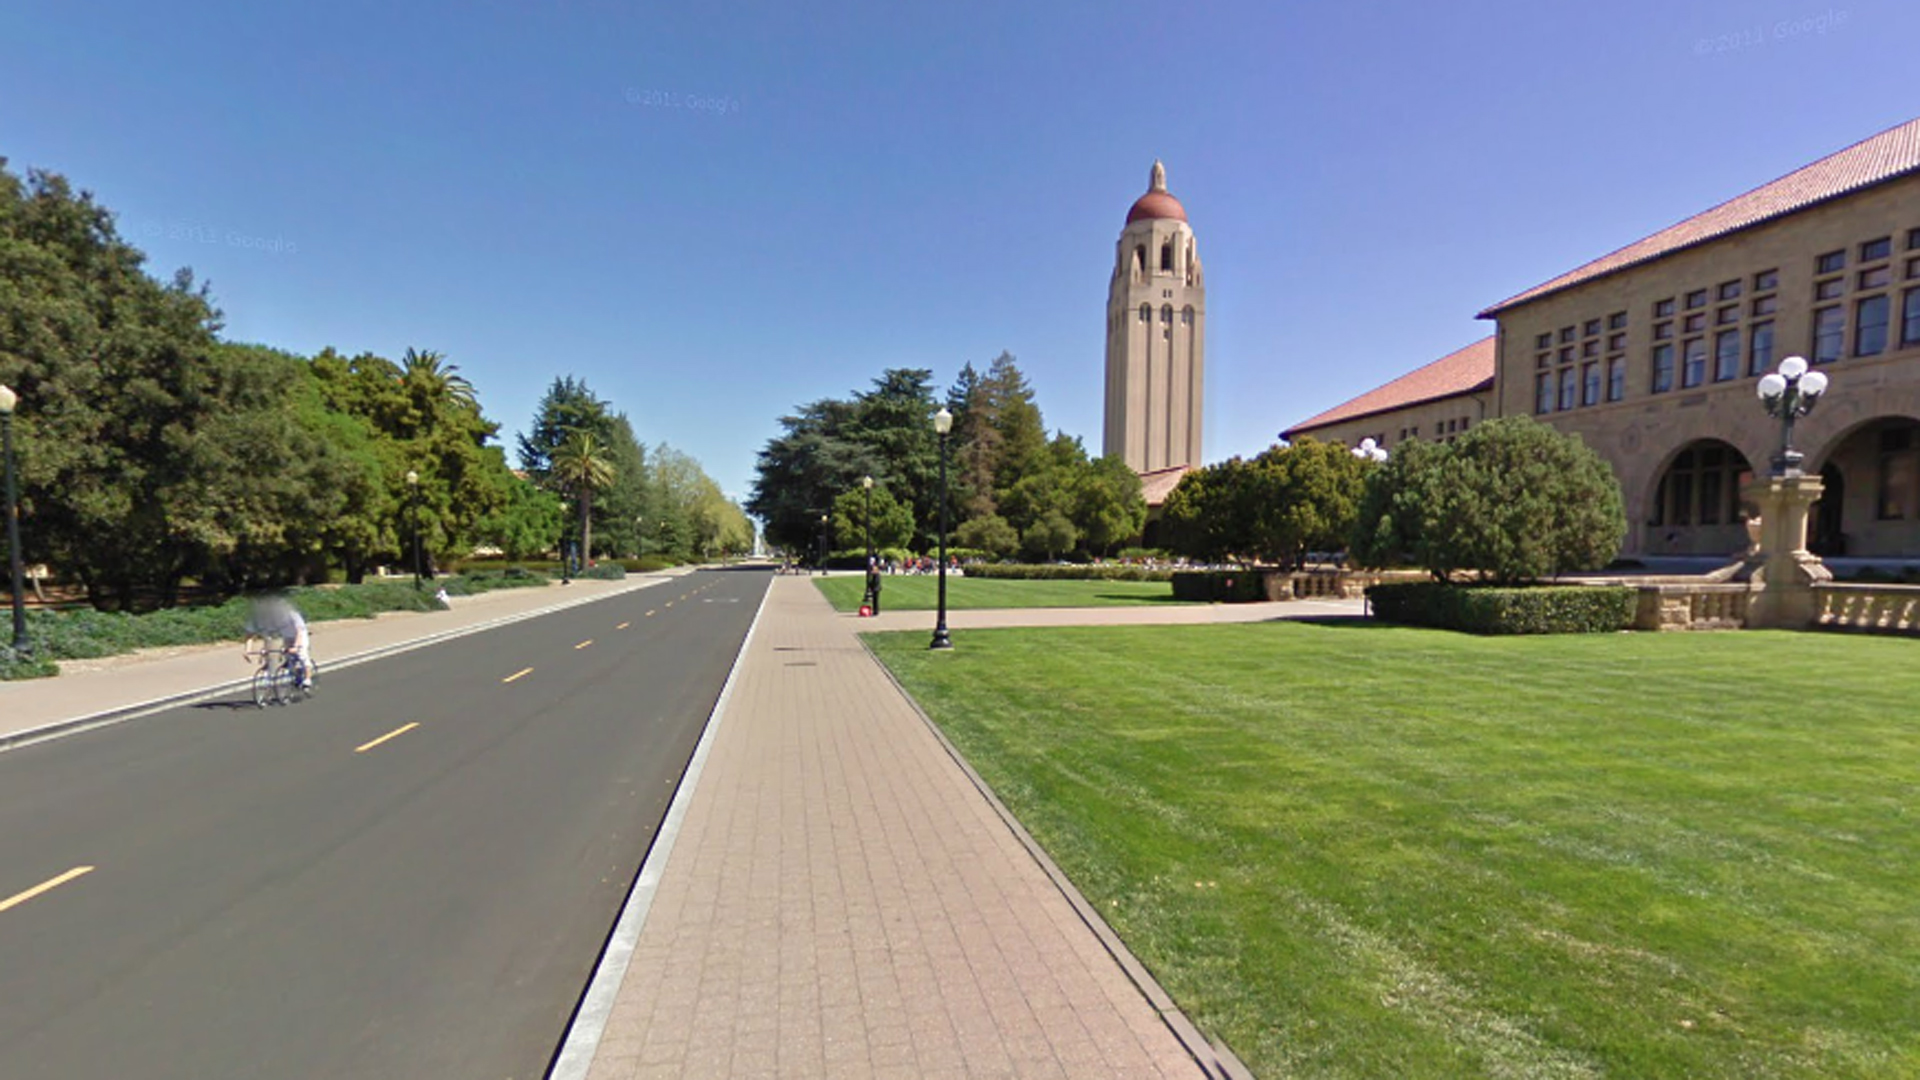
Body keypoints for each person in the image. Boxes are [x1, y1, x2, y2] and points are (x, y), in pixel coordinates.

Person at [245, 592, 313, 689]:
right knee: (286, 655)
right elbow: (265, 635)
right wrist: (249, 651)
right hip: (287, 637)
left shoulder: (292, 614)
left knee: (302, 655)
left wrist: (296, 646)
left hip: (300, 635)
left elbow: (299, 631)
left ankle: (307, 679)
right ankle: (293, 672)